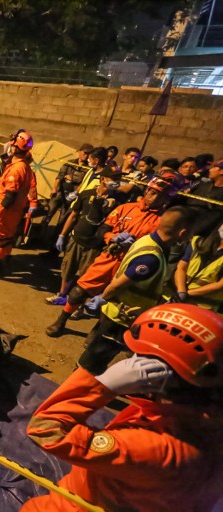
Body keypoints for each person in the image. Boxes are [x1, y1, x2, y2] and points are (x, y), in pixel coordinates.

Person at [24, 302, 223, 512]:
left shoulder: (155, 447)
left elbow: (45, 430)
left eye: (138, 357)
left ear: (159, 373)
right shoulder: (205, 422)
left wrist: (103, 385)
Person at [46, 174, 176, 337]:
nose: (156, 198)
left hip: (130, 265)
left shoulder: (163, 221)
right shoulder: (125, 208)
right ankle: (61, 321)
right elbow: (102, 230)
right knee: (78, 292)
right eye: (154, 192)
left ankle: (96, 333)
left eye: (162, 196)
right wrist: (112, 238)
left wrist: (135, 244)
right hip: (109, 257)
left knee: (112, 302)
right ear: (147, 190)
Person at [78, 206, 193, 374]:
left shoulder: (148, 240)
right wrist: (103, 297)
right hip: (120, 317)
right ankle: (77, 389)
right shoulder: (151, 258)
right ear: (182, 233)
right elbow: (119, 284)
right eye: (190, 234)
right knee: (94, 361)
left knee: (97, 357)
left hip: (120, 314)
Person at [46, 167, 122, 305]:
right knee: (68, 269)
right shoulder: (87, 194)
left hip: (95, 245)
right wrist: (62, 235)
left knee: (87, 275)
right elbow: (74, 215)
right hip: (77, 239)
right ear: (103, 179)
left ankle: (78, 304)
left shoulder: (118, 201)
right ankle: (62, 295)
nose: (116, 182)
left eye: (118, 179)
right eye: (113, 179)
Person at [0, 130, 37, 278]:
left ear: (16, 148)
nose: (10, 146)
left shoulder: (16, 169)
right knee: (6, 239)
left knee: (0, 240)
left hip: (4, 212)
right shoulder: (24, 167)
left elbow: (9, 196)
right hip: (12, 213)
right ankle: (3, 264)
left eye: (12, 144)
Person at [170, 224, 223, 312]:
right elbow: (181, 267)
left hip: (202, 307)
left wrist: (188, 293)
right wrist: (181, 291)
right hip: (176, 296)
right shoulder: (197, 242)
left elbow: (220, 285)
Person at [41, 143, 93, 231]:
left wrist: (72, 180)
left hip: (72, 195)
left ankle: (53, 239)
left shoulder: (88, 168)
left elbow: (83, 182)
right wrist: (54, 188)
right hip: (60, 192)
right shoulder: (70, 162)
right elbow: (60, 176)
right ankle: (39, 233)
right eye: (85, 153)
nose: (86, 156)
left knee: (62, 219)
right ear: (79, 152)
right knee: (48, 213)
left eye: (88, 154)